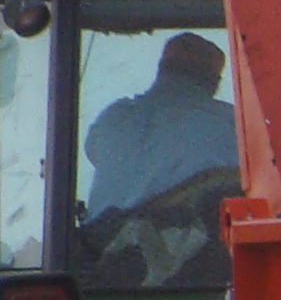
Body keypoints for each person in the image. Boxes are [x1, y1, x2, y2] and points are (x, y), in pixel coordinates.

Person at [85, 33, 241, 215]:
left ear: (162, 69)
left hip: (101, 239)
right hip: (181, 239)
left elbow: (95, 153)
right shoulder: (230, 121)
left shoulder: (113, 116)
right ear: (213, 82)